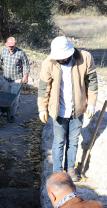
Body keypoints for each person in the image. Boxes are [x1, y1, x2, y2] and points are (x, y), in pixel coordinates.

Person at [38, 36, 98, 182]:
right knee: (58, 141)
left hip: (77, 109)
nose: (59, 60)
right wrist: (42, 108)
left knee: (73, 141)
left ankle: (70, 169)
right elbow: (43, 88)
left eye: (62, 57)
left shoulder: (85, 58)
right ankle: (58, 172)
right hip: (58, 110)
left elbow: (92, 81)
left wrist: (91, 103)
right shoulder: (49, 63)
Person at [0, 37, 30, 123]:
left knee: (14, 98)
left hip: (17, 79)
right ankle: (5, 111)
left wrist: (26, 77)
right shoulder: (3, 51)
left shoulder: (20, 53)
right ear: (7, 45)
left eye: (12, 46)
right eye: (9, 46)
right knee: (5, 97)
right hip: (6, 78)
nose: (11, 47)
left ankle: (11, 115)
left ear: (15, 45)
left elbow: (26, 65)